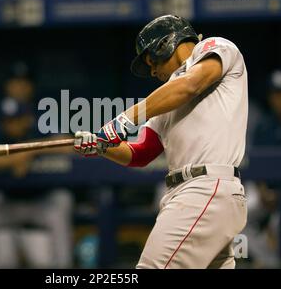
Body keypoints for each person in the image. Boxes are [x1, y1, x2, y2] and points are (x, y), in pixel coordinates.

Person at [74, 14, 248, 269]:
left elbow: (191, 84)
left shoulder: (216, 47)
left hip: (204, 190)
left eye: (151, 61)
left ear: (167, 43)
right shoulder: (165, 101)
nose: (153, 71)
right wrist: (103, 146)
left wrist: (124, 120)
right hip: (203, 197)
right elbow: (140, 153)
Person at [0, 97, 74, 268]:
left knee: (61, 205)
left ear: (27, 119)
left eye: (16, 120)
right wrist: (11, 160)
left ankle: (64, 268)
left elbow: (68, 144)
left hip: (42, 201)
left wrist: (28, 150)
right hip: (7, 201)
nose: (11, 125)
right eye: (7, 121)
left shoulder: (37, 130)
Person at [244, 69, 281, 268]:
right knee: (238, 216)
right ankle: (272, 262)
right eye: (275, 95)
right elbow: (256, 164)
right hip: (267, 192)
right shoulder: (265, 126)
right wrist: (262, 190)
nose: (279, 100)